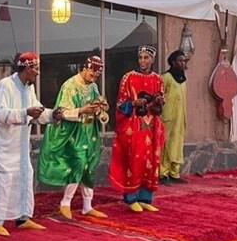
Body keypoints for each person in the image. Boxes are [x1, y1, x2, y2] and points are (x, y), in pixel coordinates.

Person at [0, 52, 61, 236]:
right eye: (35, 68)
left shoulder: (29, 88)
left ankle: (23, 218)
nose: (37, 72)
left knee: (25, 177)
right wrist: (24, 112)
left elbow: (37, 111)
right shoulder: (6, 85)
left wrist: (52, 115)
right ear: (27, 68)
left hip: (20, 146)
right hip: (4, 146)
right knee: (3, 182)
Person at [37, 56, 109, 219]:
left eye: (96, 77)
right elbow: (61, 112)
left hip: (89, 133)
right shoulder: (69, 86)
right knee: (78, 163)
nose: (93, 78)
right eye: (92, 74)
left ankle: (87, 205)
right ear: (86, 68)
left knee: (89, 166)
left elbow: (98, 108)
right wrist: (82, 110)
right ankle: (65, 202)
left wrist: (101, 108)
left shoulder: (93, 87)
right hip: (73, 133)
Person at [108, 45, 165, 212]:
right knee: (134, 160)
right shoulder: (129, 78)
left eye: (146, 57)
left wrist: (160, 101)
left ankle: (145, 198)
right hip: (133, 126)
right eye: (140, 57)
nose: (142, 61)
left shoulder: (158, 79)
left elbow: (161, 101)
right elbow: (119, 104)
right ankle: (131, 198)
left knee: (150, 160)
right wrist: (134, 103)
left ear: (152, 59)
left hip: (151, 126)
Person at [160, 50, 188, 186]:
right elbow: (159, 95)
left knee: (177, 143)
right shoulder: (166, 77)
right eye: (180, 61)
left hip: (180, 116)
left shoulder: (183, 78)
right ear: (173, 62)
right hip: (168, 116)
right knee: (166, 144)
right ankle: (162, 172)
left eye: (184, 61)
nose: (183, 63)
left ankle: (174, 172)